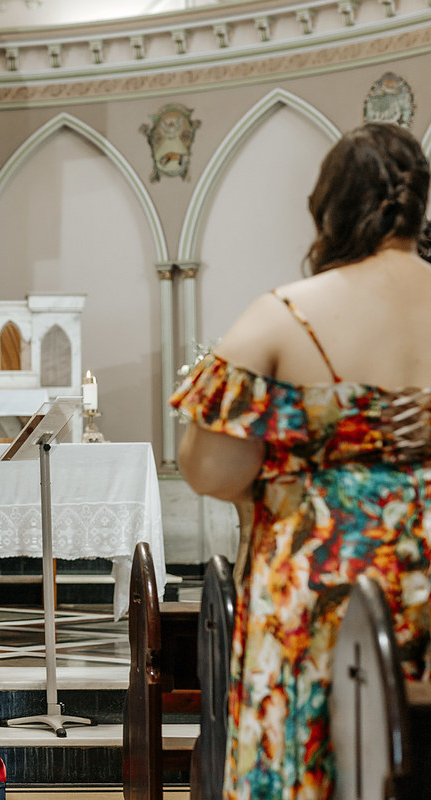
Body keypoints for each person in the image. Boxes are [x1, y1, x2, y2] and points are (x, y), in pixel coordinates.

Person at [171, 122, 431, 800]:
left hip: (321, 589)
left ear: (330, 207)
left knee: (317, 758)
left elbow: (213, 472)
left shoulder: (286, 315)